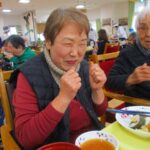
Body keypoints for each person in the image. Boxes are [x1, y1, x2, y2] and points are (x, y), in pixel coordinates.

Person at [11, 8, 107, 149]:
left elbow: (100, 112)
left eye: (82, 43)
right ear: (49, 42)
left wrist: (97, 90)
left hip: (91, 141)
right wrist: (63, 98)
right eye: (68, 43)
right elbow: (25, 138)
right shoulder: (29, 75)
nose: (75, 53)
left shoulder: (85, 67)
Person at [106, 7, 150, 100]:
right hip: (139, 108)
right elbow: (110, 81)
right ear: (137, 30)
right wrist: (131, 78)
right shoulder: (127, 54)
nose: (148, 33)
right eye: (143, 28)